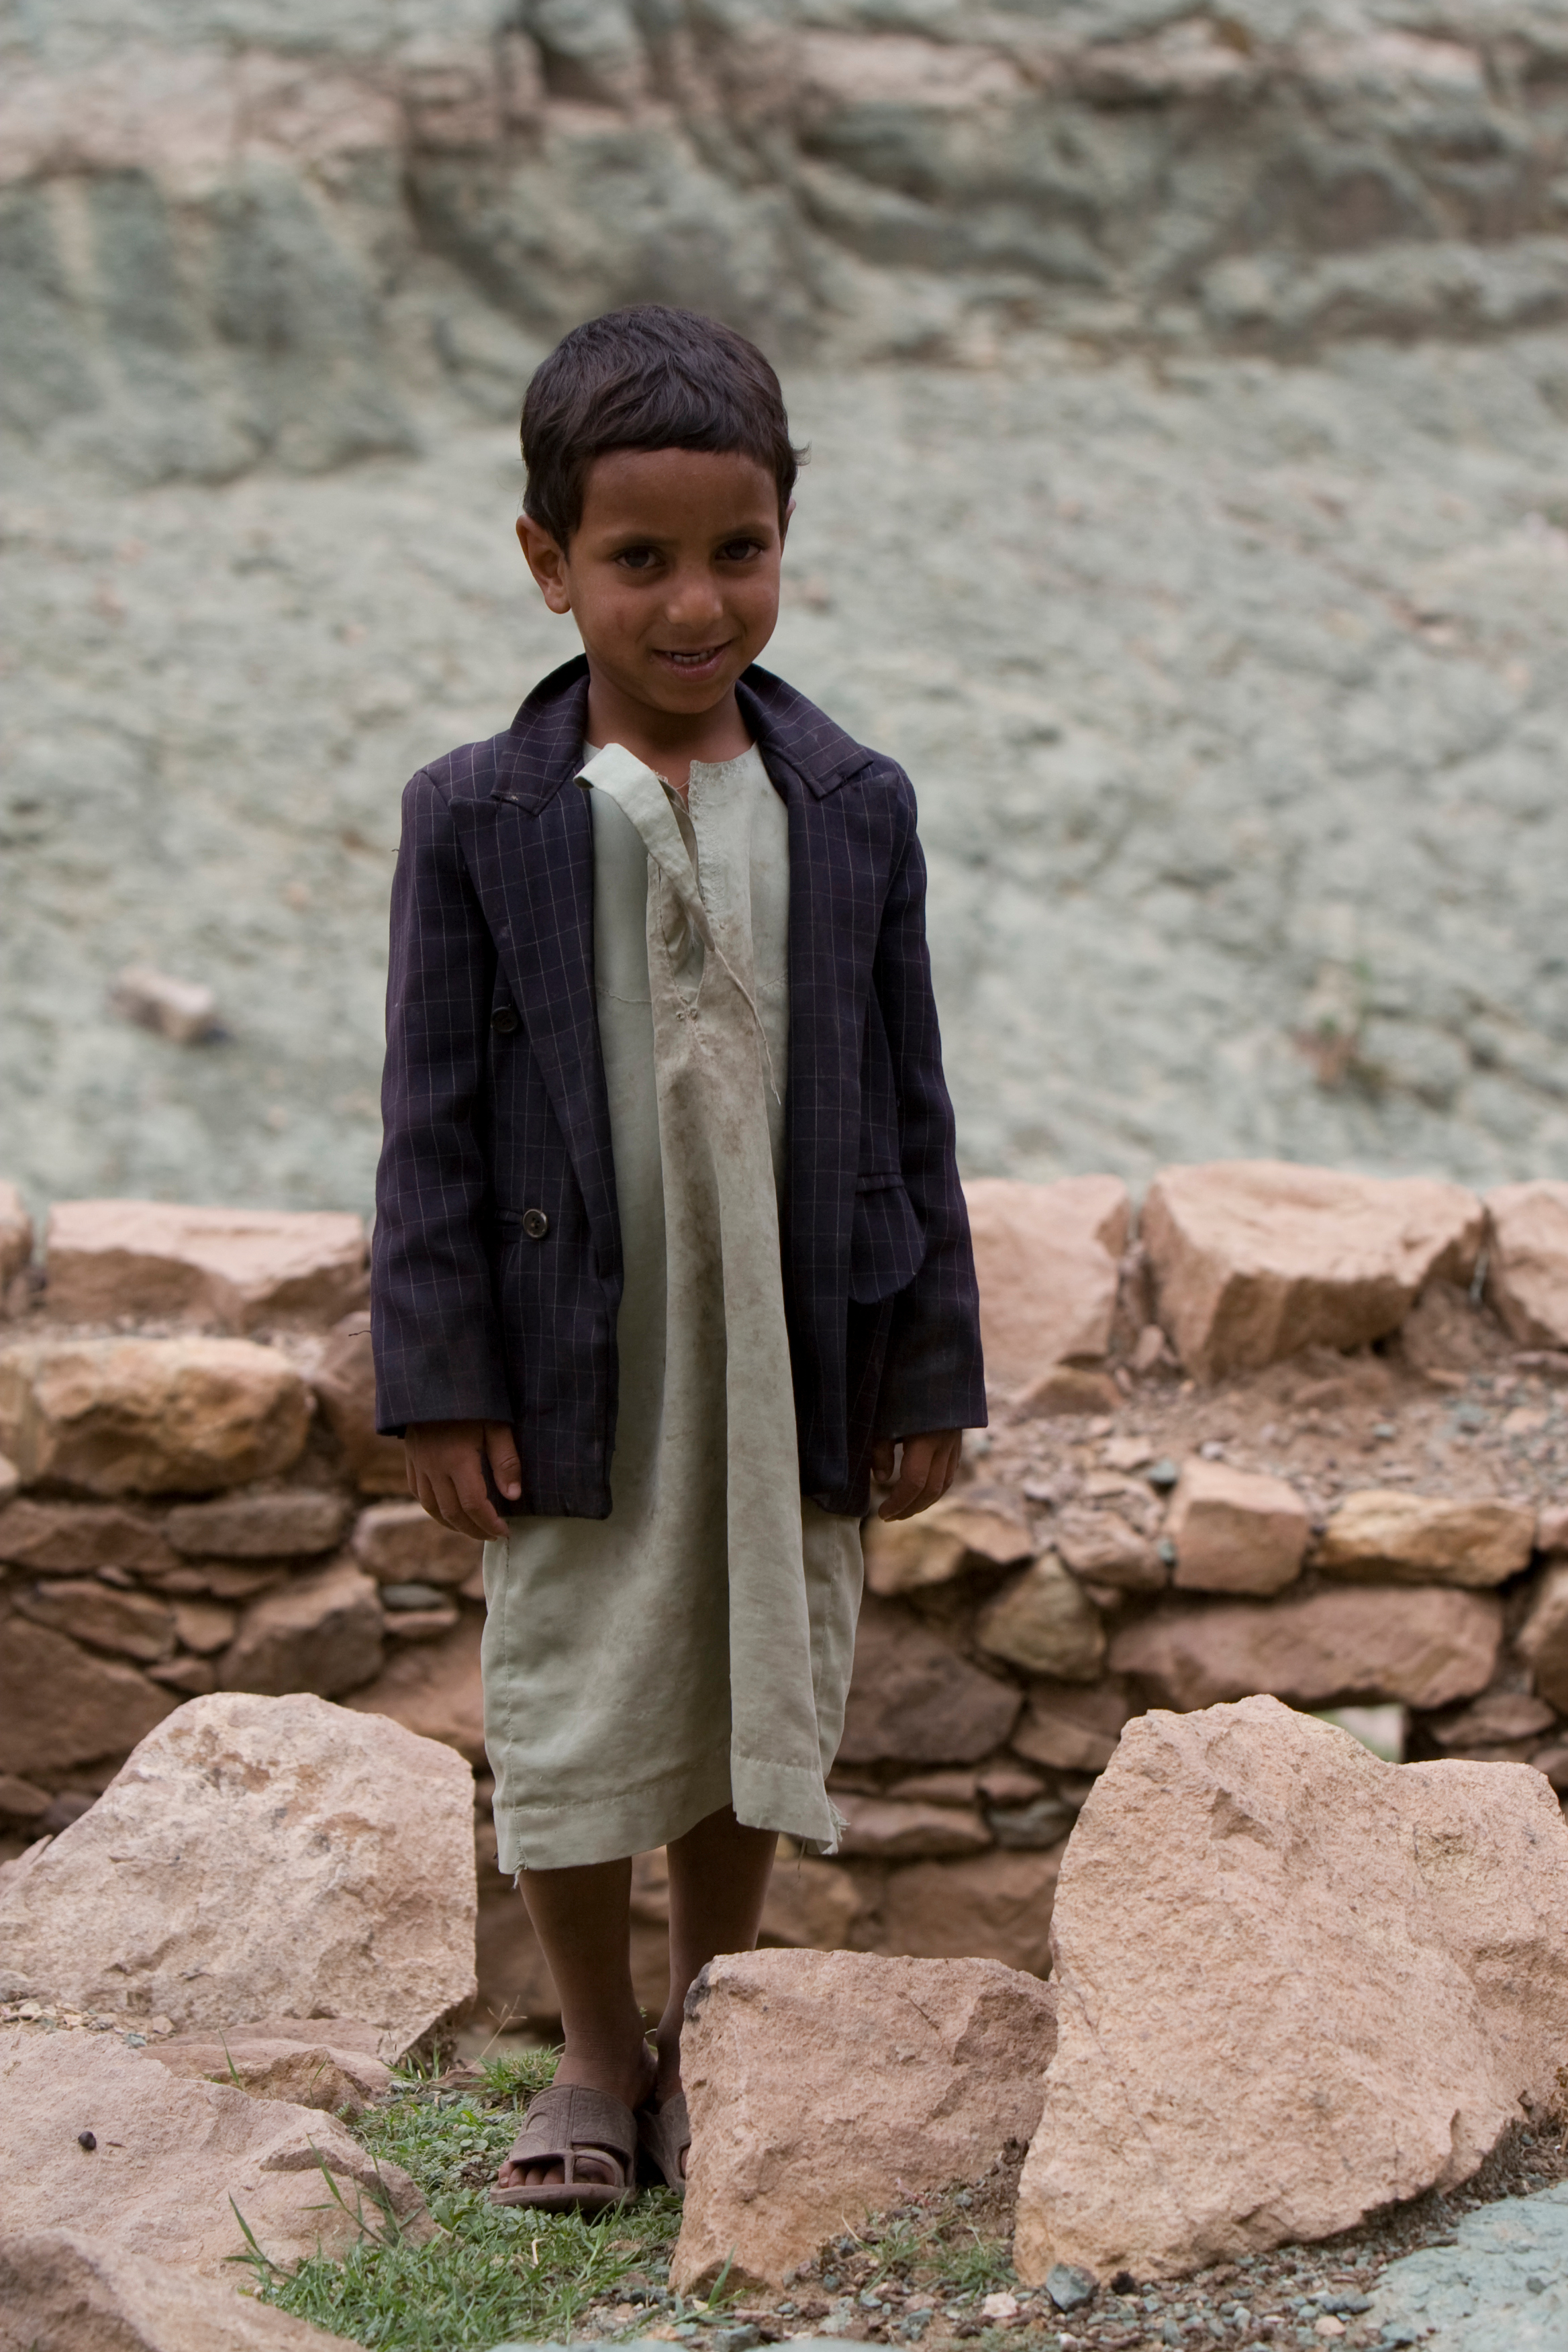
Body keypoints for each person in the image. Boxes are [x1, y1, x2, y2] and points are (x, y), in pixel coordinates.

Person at [371, 303, 985, 2212]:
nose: (696, 601)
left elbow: (912, 1100)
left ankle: (714, 2023)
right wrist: (444, 1379)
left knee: (746, 1671)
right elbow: (430, 1126)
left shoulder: (853, 806)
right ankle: (591, 2049)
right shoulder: (478, 818)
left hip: (791, 1337)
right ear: (551, 564)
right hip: (573, 1350)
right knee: (567, 1675)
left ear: (788, 539)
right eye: (640, 559)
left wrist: (931, 1367)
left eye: (740, 551)